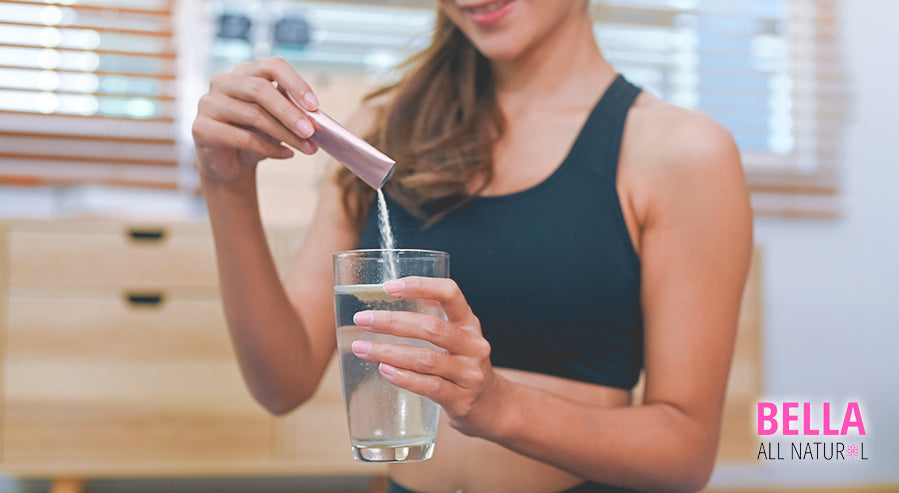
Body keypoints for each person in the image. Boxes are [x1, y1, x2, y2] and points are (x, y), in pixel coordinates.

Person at [192, 0, 752, 491]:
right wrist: (227, 183)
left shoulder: (681, 152)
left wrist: (499, 406)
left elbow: (686, 451)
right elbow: (282, 383)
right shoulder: (381, 132)